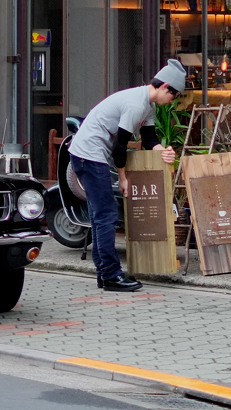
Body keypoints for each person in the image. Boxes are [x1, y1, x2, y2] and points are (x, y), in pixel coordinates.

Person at [69, 60, 184, 292]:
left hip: (87, 155)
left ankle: (104, 273)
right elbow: (119, 147)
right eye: (174, 95)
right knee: (106, 215)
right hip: (89, 155)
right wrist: (123, 178)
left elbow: (149, 139)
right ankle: (111, 275)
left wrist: (164, 152)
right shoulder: (135, 104)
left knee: (100, 215)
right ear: (165, 86)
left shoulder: (148, 106)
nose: (173, 101)